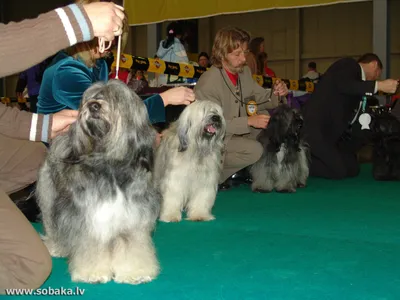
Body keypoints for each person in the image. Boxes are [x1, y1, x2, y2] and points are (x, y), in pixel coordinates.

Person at [0, 1, 126, 293]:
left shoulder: (98, 66)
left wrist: (45, 125)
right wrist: (78, 20)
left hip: (55, 143)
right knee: (29, 266)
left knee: (34, 157)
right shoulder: (67, 69)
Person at [194, 27, 289, 190]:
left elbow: (258, 97)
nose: (244, 59)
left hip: (233, 134)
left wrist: (277, 93)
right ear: (222, 54)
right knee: (255, 150)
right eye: (237, 54)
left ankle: (238, 169)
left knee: (268, 125)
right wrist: (249, 121)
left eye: (244, 52)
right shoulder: (208, 82)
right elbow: (211, 125)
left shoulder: (243, 72)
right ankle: (213, 175)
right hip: (212, 139)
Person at [302, 53, 399, 180]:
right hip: (315, 131)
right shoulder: (348, 65)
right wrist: (379, 85)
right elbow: (345, 85)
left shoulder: (358, 86)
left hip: (330, 135)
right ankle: (301, 165)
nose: (377, 77)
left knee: (352, 168)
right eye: (378, 73)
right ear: (374, 65)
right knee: (339, 171)